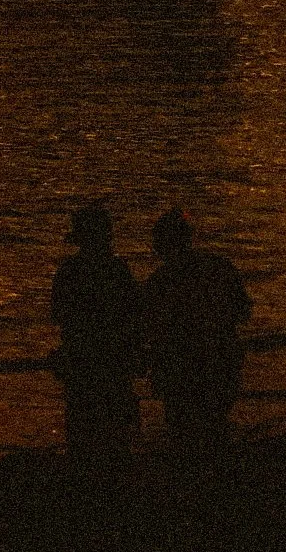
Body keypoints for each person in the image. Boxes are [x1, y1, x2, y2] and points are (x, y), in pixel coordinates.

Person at [140, 210, 250, 463]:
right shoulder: (218, 267)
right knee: (215, 427)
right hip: (220, 361)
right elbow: (242, 310)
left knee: (182, 432)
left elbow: (145, 326)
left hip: (179, 368)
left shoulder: (160, 282)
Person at [49, 206, 142, 488]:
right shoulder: (118, 270)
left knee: (83, 427)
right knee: (115, 431)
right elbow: (135, 313)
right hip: (113, 361)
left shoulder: (69, 272)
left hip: (82, 361)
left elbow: (58, 313)